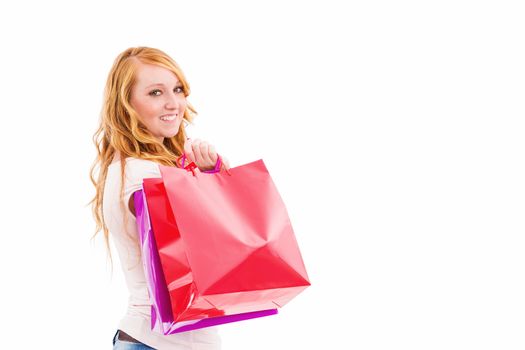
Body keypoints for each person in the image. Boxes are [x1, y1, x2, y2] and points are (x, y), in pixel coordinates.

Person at [89, 46, 229, 349]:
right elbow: (211, 248)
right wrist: (212, 179)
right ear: (127, 104)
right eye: (155, 93)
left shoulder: (144, 167)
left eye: (177, 89)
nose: (173, 103)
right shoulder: (142, 174)